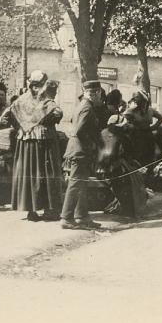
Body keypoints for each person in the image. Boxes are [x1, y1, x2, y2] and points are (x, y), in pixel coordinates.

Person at [1, 72, 64, 222]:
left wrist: (21, 126)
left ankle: (31, 210)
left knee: (30, 172)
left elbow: (4, 118)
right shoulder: (47, 102)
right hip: (45, 140)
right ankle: (50, 210)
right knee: (47, 174)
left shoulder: (21, 101)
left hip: (26, 140)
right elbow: (58, 114)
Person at [61, 79, 103, 229]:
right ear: (95, 93)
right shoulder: (87, 108)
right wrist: (92, 142)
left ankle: (82, 216)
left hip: (78, 149)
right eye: (99, 94)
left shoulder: (81, 105)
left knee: (81, 184)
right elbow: (79, 130)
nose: (100, 97)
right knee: (75, 183)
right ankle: (66, 218)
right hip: (80, 150)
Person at [97, 114, 148, 218]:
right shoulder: (120, 137)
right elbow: (126, 154)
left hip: (99, 168)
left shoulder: (102, 133)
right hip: (111, 169)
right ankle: (129, 209)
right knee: (132, 180)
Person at [122, 90, 162, 170]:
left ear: (144, 100)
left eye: (138, 97)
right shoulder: (131, 111)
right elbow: (124, 122)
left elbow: (161, 118)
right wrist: (132, 126)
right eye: (135, 97)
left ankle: (149, 174)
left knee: (150, 156)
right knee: (138, 157)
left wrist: (153, 127)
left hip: (148, 136)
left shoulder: (151, 110)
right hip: (136, 137)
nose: (135, 99)